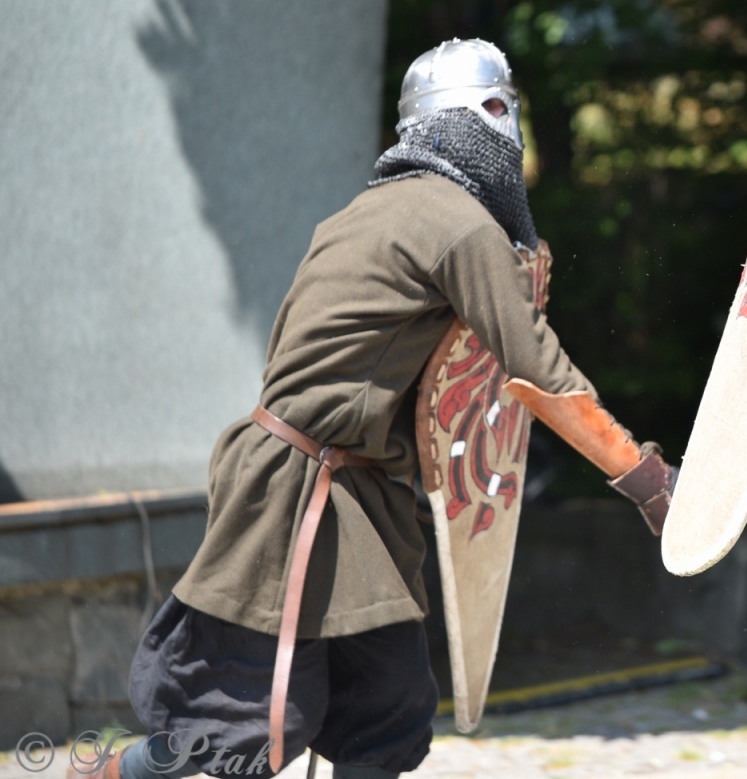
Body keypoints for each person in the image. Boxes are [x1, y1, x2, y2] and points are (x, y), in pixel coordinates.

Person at [108, 39, 674, 779]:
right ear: (475, 122)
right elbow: (538, 369)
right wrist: (647, 481)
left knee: (388, 715)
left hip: (359, 498)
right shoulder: (460, 224)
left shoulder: (365, 211)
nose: (511, 130)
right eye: (500, 110)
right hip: (295, 496)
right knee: (246, 729)